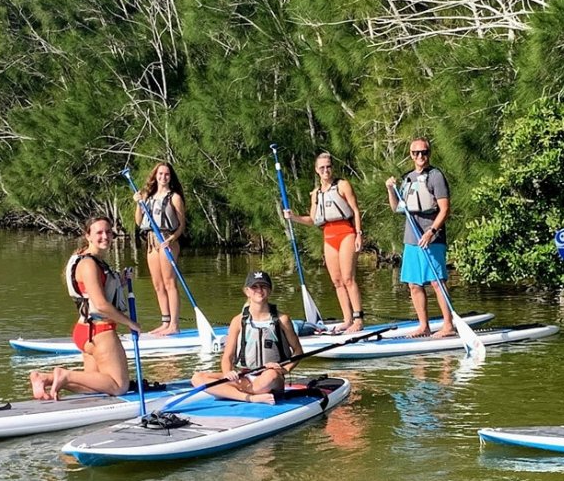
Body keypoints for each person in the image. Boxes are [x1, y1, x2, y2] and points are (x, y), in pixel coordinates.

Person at [30, 215, 142, 401]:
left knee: (94, 384)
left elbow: (94, 292)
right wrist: (131, 323)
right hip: (100, 332)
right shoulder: (89, 264)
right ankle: (65, 375)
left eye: (108, 232)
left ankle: (44, 378)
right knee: (119, 386)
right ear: (88, 236)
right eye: (99, 232)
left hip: (85, 331)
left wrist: (120, 280)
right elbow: (100, 305)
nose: (105, 236)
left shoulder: (89, 260)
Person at [191, 271, 304, 403]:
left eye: (263, 286)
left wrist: (284, 369)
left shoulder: (282, 320)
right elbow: (228, 356)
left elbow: (298, 352)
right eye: (254, 287)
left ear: (270, 290)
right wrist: (228, 373)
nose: (259, 290)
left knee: (271, 375)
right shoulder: (237, 321)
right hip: (245, 377)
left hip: (271, 378)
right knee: (197, 378)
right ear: (247, 291)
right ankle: (251, 398)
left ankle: (231, 392)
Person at [283, 152, 365, 332]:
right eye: (322, 168)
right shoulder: (316, 194)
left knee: (348, 278)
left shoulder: (342, 185)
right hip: (329, 236)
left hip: (346, 233)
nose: (326, 170)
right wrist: (293, 217)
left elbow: (356, 211)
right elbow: (313, 220)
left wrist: (359, 234)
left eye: (328, 166)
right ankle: (347, 319)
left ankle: (358, 319)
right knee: (337, 281)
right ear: (316, 170)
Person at [385, 137, 454, 338]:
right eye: (416, 153)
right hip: (411, 238)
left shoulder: (436, 176)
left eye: (424, 152)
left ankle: (448, 325)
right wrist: (390, 189)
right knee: (414, 284)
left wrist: (431, 231)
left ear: (429, 153)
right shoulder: (407, 178)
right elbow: (396, 207)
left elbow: (445, 209)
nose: (420, 156)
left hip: (431, 236)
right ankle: (423, 326)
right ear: (411, 155)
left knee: (436, 281)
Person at [134, 161, 187, 336]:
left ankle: (174, 324)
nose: (163, 177)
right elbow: (138, 221)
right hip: (151, 242)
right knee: (158, 285)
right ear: (155, 176)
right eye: (160, 174)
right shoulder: (147, 197)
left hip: (167, 240)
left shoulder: (174, 197)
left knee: (169, 282)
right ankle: (165, 322)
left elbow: (181, 225)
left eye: (166, 174)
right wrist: (138, 203)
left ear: (170, 177)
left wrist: (171, 239)